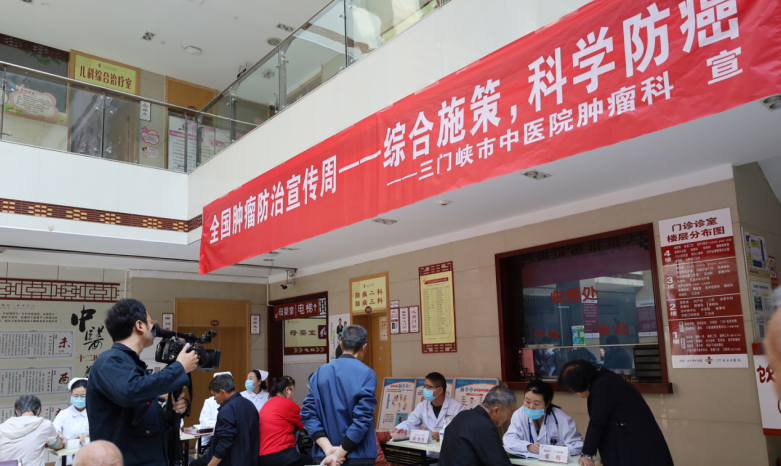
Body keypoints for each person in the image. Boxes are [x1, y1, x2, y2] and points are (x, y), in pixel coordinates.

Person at [87, 299, 199, 466]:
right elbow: (131, 392)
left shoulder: (132, 365)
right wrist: (179, 368)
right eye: (151, 322)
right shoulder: (110, 361)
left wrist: (167, 412)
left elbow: (139, 414)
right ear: (139, 325)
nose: (153, 326)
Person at [557, 359, 674, 466]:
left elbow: (597, 422)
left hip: (638, 448)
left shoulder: (604, 385)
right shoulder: (604, 381)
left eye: (575, 390)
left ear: (583, 383)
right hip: (632, 445)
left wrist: (587, 454)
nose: (576, 394)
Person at [302, 325, 378, 466]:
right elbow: (362, 419)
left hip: (324, 456)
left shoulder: (320, 372)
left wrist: (328, 449)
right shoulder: (367, 373)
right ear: (364, 347)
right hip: (357, 456)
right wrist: (338, 454)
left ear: (341, 344)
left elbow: (307, 414)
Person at [437, 385, 516, 466]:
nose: (509, 417)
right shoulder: (485, 426)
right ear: (495, 410)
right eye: (508, 413)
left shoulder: (462, 415)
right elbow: (499, 463)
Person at [390, 372, 463, 458]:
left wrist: (438, 434)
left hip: (449, 455)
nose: (424, 390)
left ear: (439, 390)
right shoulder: (422, 405)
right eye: (424, 386)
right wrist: (398, 429)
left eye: (428, 387)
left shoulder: (457, 407)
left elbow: (461, 432)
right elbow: (410, 423)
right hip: (428, 455)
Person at [193, 374, 260, 466]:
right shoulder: (249, 404)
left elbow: (224, 443)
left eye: (214, 395)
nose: (214, 399)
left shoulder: (227, 410)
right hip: (250, 459)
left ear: (223, 392)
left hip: (232, 460)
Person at [503, 380, 583, 455]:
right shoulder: (519, 414)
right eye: (527, 402)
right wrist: (528, 447)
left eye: (536, 404)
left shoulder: (562, 419)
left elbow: (578, 445)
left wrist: (556, 450)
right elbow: (509, 439)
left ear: (547, 404)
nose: (531, 407)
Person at [258, 376, 312, 466]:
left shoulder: (266, 404)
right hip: (280, 453)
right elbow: (307, 423)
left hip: (262, 457)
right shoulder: (288, 404)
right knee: (314, 462)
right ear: (288, 390)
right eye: (293, 390)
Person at [0, 395, 65, 466]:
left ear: (17, 411)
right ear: (38, 410)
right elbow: (56, 446)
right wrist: (62, 440)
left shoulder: (2, 427)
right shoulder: (45, 425)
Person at [53, 378, 91, 465]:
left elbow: (102, 434)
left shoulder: (94, 414)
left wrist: (88, 435)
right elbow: (53, 430)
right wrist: (57, 435)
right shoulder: (64, 414)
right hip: (66, 460)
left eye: (83, 396)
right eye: (75, 396)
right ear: (71, 394)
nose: (79, 399)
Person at [199, 372, 233, 451]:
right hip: (211, 439)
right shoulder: (209, 401)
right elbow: (204, 422)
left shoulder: (235, 402)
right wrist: (221, 424)